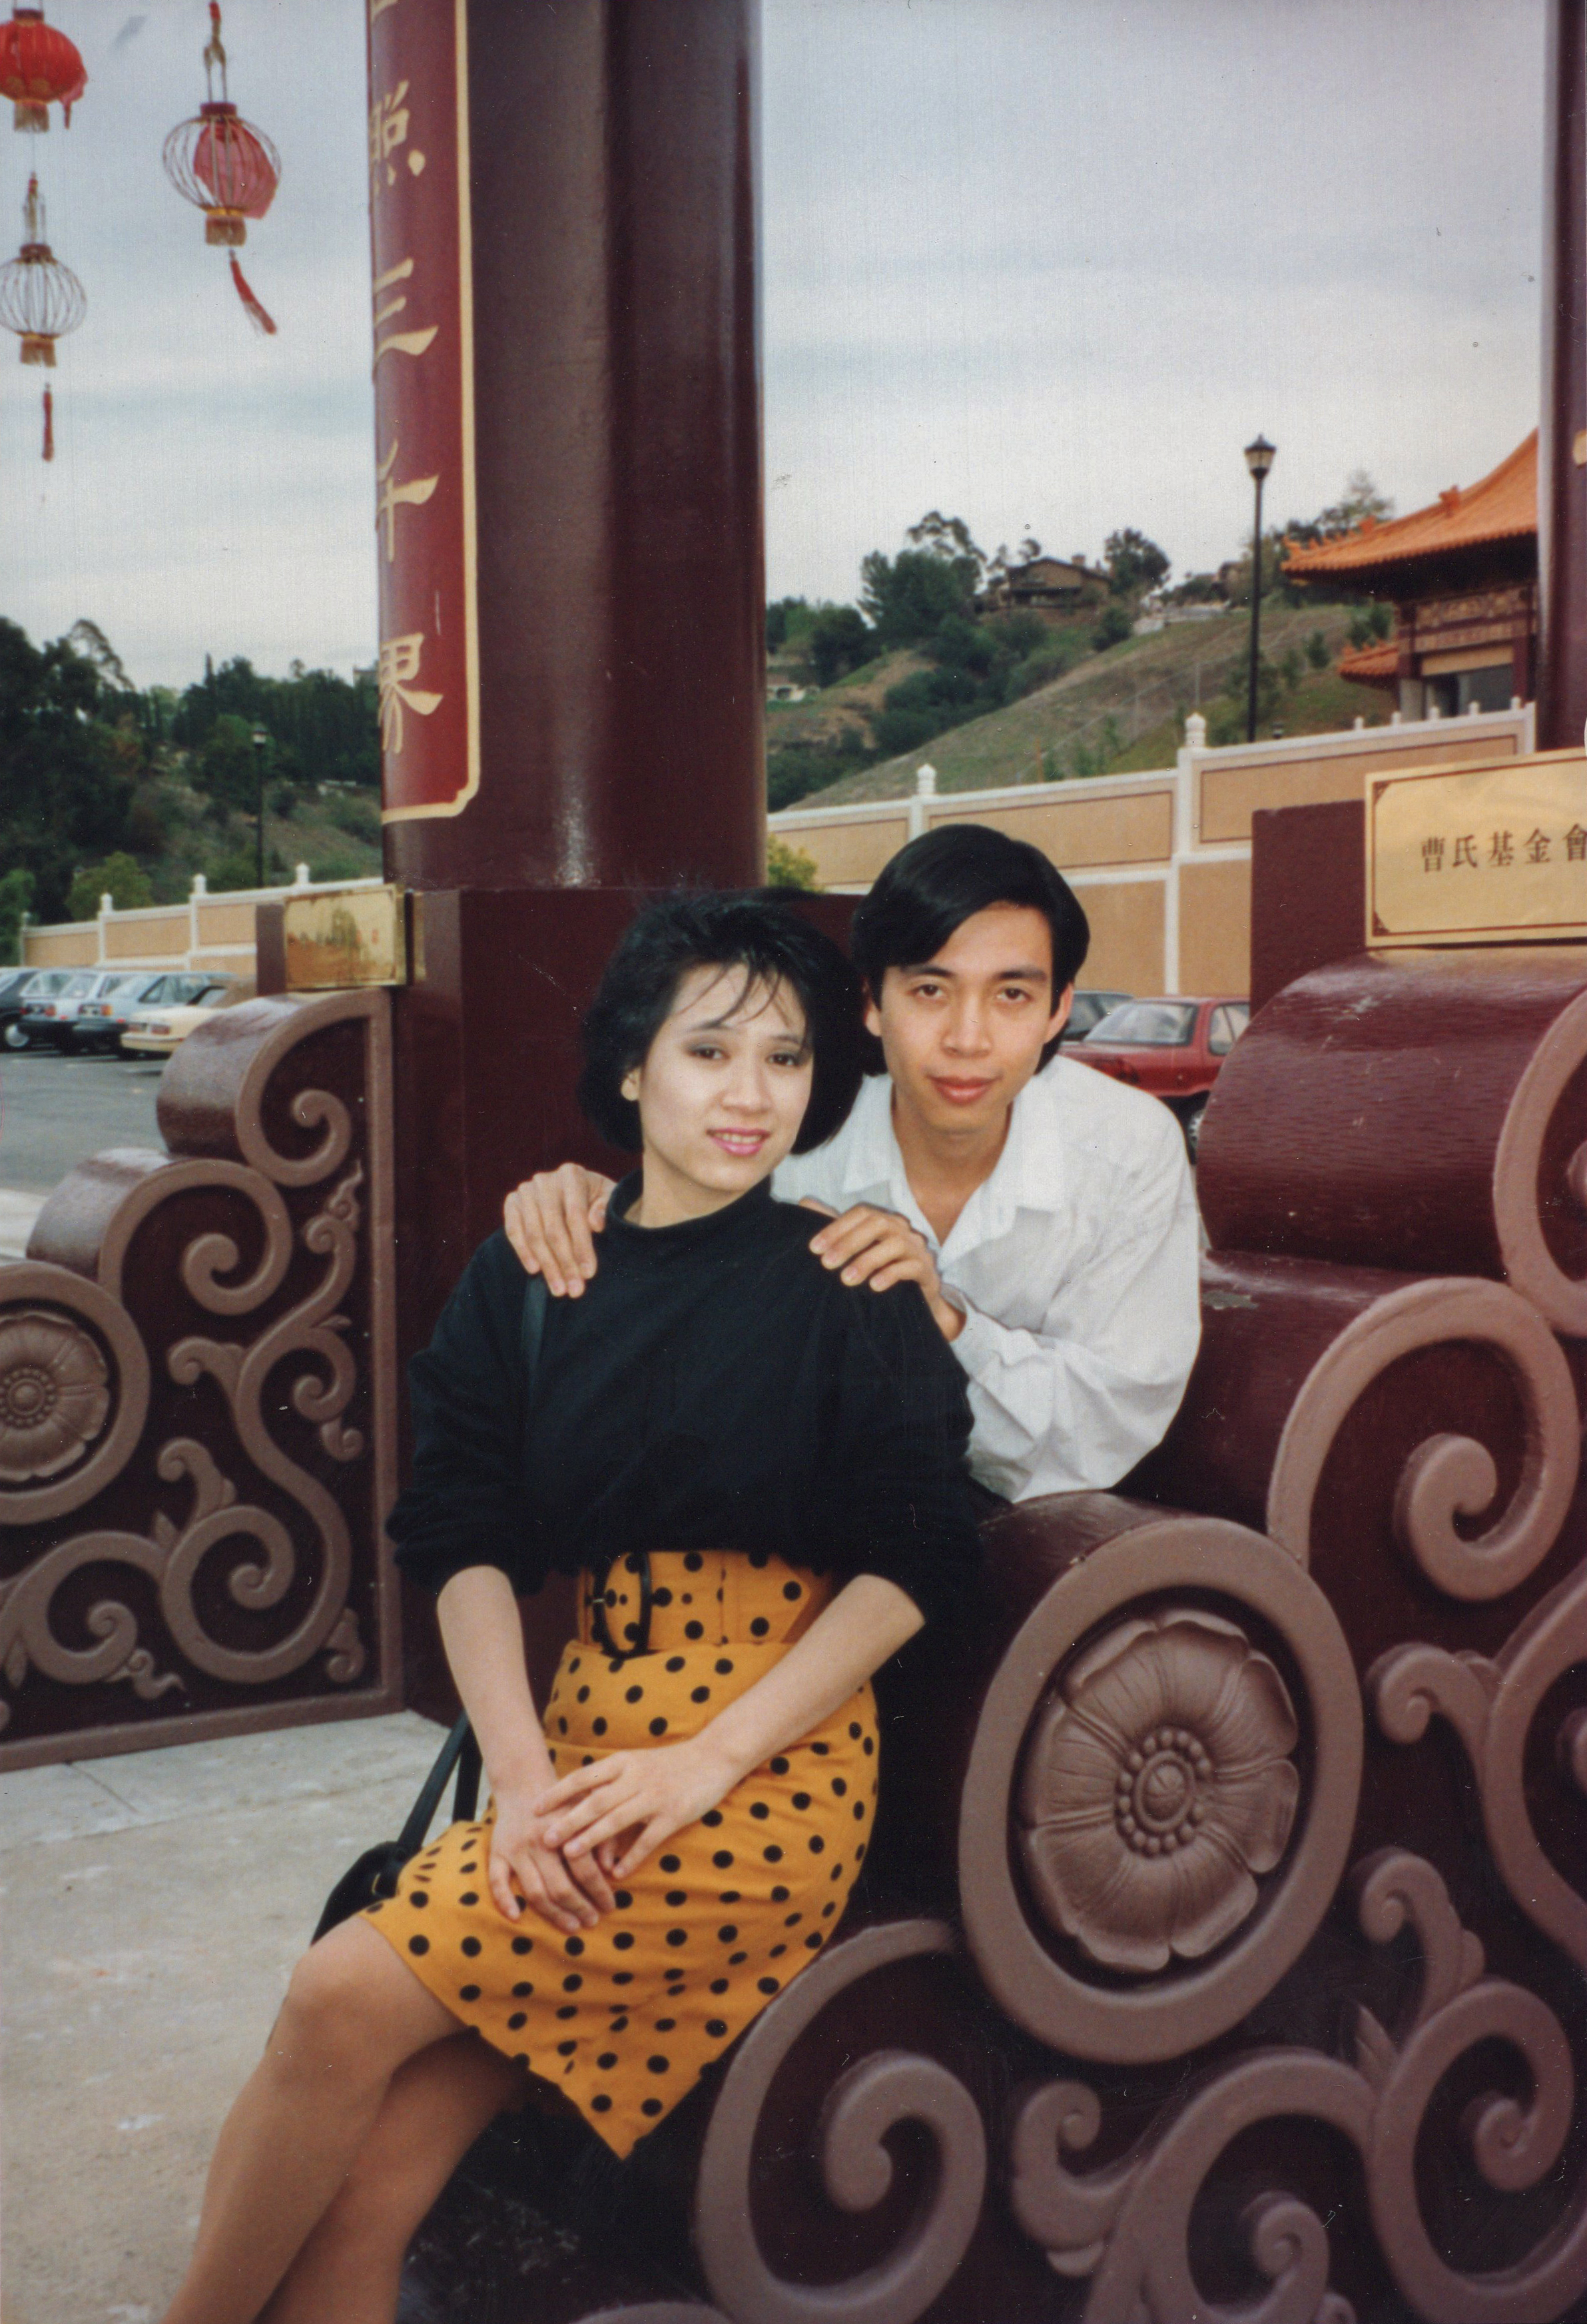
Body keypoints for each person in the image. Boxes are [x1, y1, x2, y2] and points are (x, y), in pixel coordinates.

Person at [161, 893, 980, 2324]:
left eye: (784, 1060)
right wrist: (524, 1776)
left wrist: (708, 1758)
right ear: (629, 1069)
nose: (748, 1094)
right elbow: (461, 1530)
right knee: (365, 2195)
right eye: (709, 1050)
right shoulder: (536, 1267)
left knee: (335, 1999)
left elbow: (919, 1557)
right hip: (579, 1751)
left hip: (762, 1768)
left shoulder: (848, 1279)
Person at [505, 825, 1201, 1504]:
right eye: (930, 990)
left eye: (1011, 995)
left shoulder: (1126, 1147)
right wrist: (593, 1205)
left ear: (1058, 1012)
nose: (967, 1038)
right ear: (871, 1003)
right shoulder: (801, 1121)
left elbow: (1108, 1426)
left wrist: (939, 1319)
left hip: (1033, 1525)